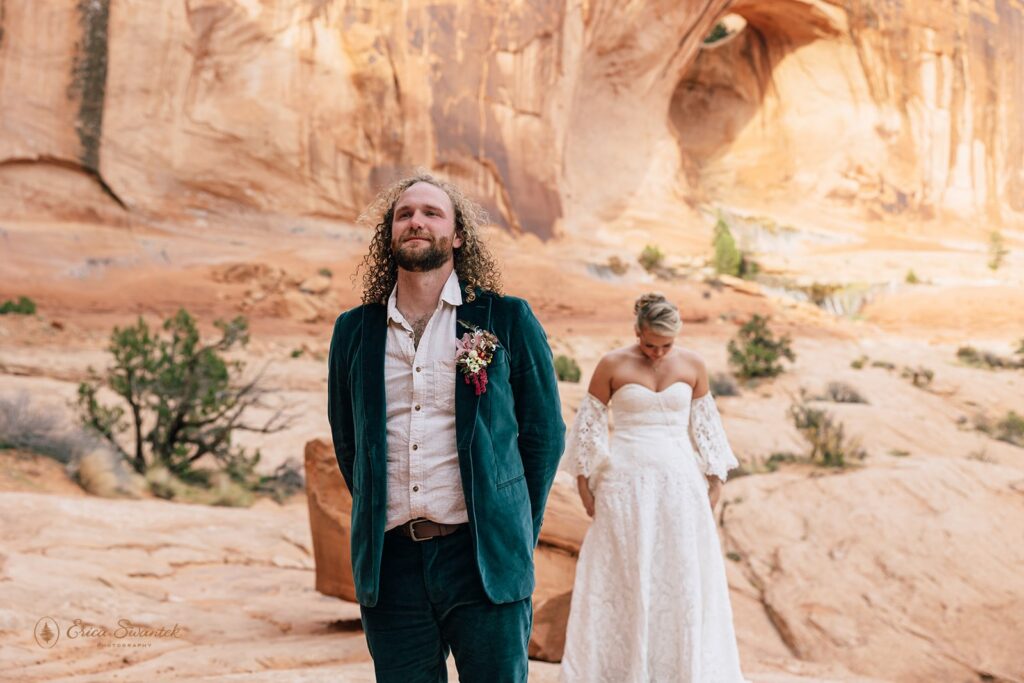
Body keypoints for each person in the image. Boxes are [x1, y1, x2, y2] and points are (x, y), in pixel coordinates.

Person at [326, 172, 565, 683]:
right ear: (389, 235)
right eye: (404, 214)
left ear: (457, 236)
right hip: (391, 567)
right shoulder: (354, 330)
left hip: (481, 558)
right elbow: (349, 442)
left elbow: (544, 436)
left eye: (432, 213)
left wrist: (514, 524)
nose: (416, 221)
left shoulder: (505, 319)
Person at [559, 292, 749, 683]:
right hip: (625, 485)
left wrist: (714, 481)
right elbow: (588, 428)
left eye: (667, 345)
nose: (658, 353)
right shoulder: (612, 363)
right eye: (649, 344)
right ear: (637, 331)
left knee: (679, 575)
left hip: (681, 485)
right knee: (625, 575)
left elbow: (706, 425)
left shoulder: (694, 364)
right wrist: (584, 484)